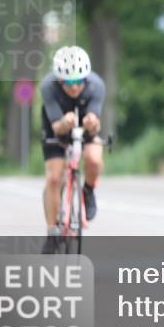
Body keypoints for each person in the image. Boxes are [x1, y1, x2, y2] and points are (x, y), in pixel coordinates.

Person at [40, 45, 106, 254]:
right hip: (57, 126)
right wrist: (64, 124)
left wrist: (91, 123)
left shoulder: (96, 85)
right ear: (59, 80)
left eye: (79, 81)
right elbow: (57, 127)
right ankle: (52, 233)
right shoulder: (48, 87)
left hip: (85, 124)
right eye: (69, 82)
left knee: (94, 159)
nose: (75, 87)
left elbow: (96, 124)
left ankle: (88, 189)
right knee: (54, 177)